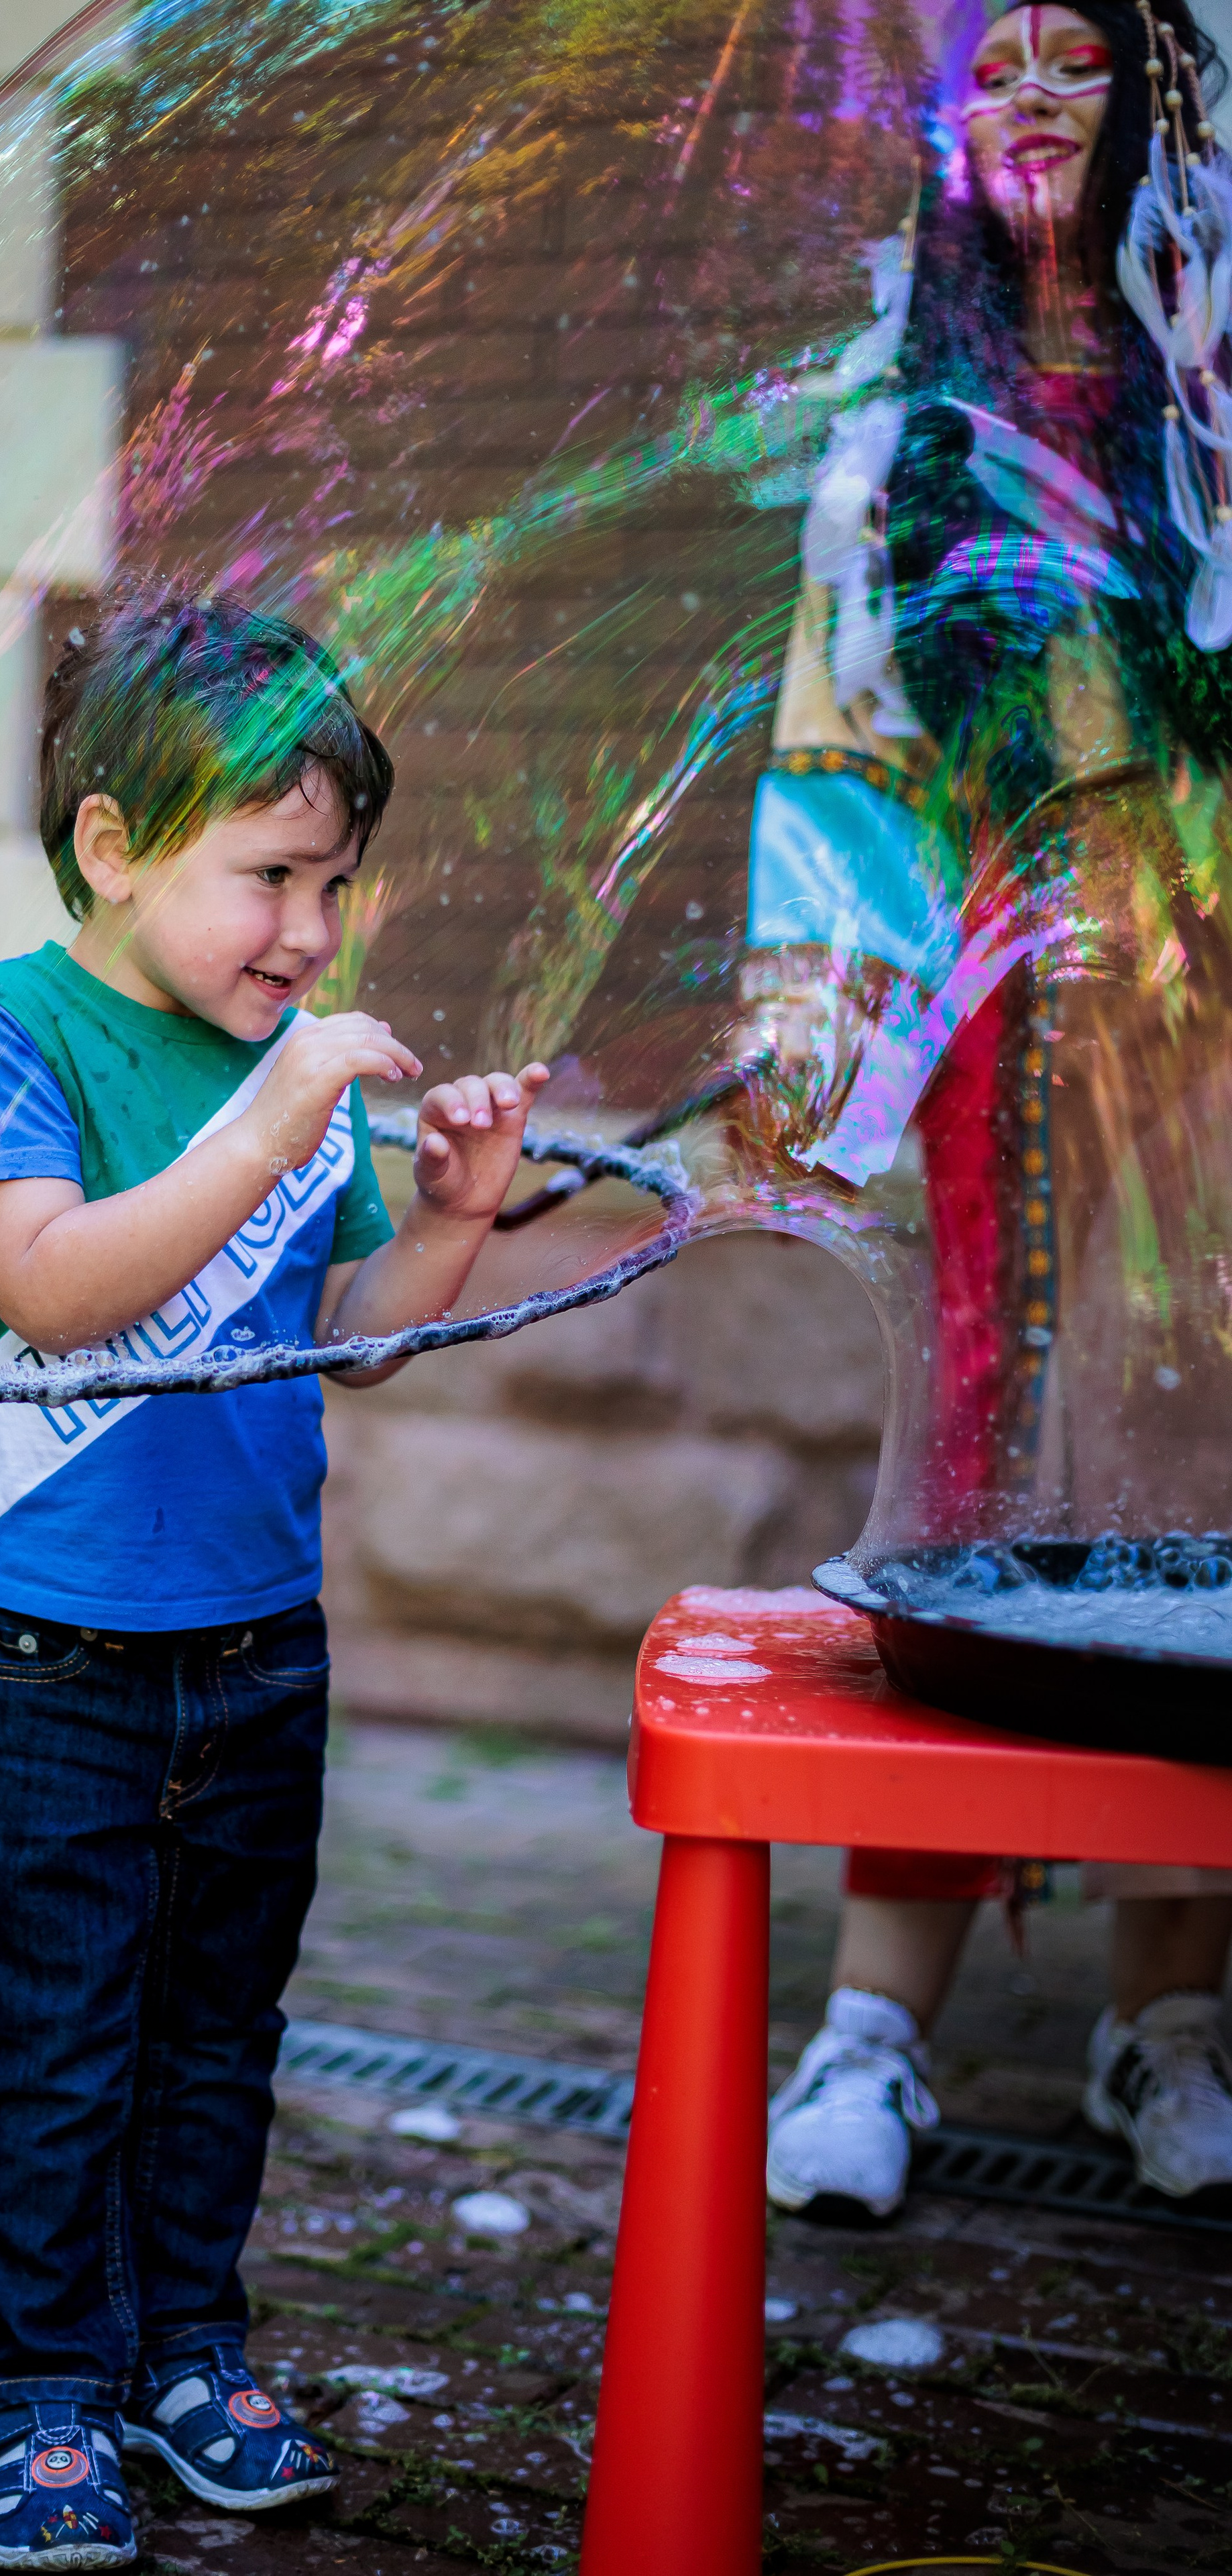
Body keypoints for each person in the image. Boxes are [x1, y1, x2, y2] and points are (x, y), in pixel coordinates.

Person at [0, 581, 547, 2570]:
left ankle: (188, 2350)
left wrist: (444, 1224)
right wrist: (277, 1113)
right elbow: (54, 1283)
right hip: (53, 1659)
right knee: (56, 2037)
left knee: (216, 2033)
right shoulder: (7, 1030)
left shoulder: (280, 1060)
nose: (309, 932)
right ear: (112, 847)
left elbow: (339, 1328)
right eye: (269, 876)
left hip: (260, 1646)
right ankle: (43, 2391)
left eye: (335, 887)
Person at [754, 1, 1232, 2221]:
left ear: (1159, 103)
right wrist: (811, 1003)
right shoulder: (898, 395)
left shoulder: (1210, 369)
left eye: (1083, 57)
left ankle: (1171, 2022)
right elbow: (840, 728)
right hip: (984, 1015)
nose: (1035, 97)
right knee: (967, 1464)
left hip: (1211, 1002)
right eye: (996, 61)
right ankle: (875, 2026)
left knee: (1198, 1468)